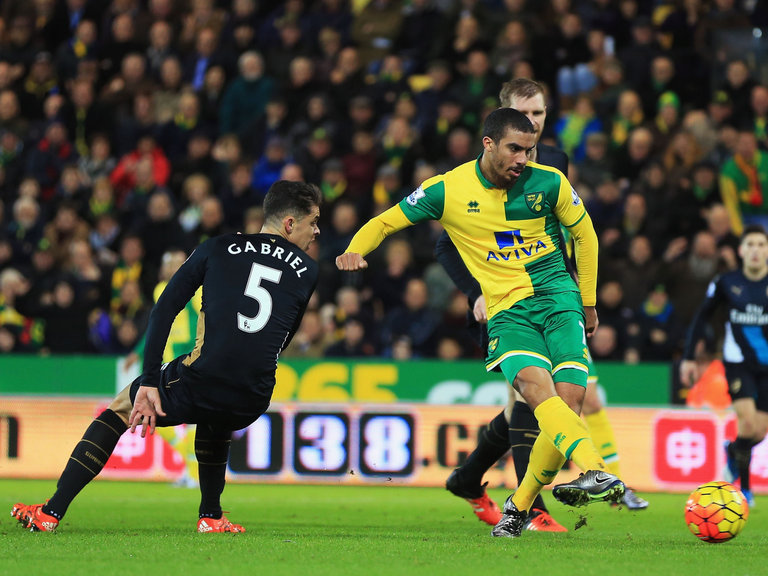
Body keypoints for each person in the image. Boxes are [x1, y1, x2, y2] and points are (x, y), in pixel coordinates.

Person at [336, 108, 625, 539]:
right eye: (514, 149)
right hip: (507, 311)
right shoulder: (448, 189)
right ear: (488, 144)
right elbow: (387, 220)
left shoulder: (551, 182)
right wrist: (355, 248)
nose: (523, 159)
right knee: (532, 387)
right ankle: (595, 470)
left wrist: (588, 303)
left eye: (528, 150)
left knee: (568, 402)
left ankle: (519, 505)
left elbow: (586, 235)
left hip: (557, 297)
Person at [12, 180, 321, 533]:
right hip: (254, 395)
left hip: (203, 379)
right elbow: (284, 336)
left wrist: (148, 381)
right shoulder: (308, 271)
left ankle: (50, 512)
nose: (317, 231)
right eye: (313, 222)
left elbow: (163, 310)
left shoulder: (218, 247)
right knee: (216, 416)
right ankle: (211, 517)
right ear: (289, 224)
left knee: (118, 410)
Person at [435, 79, 646, 534]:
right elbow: (448, 245)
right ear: (500, 121)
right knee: (534, 399)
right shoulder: (472, 176)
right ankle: (531, 508)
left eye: (540, 115)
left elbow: (567, 231)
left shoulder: (552, 165)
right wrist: (475, 292)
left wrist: (577, 294)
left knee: (546, 400)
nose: (533, 124)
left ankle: (473, 479)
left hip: (552, 294)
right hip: (499, 298)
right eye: (524, 115)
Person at [680, 225, 768, 508]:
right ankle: (745, 490)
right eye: (750, 245)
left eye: (761, 245)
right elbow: (700, 318)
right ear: (741, 251)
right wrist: (689, 357)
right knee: (748, 422)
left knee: (759, 432)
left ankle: (732, 449)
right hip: (737, 363)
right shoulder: (726, 282)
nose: (756, 250)